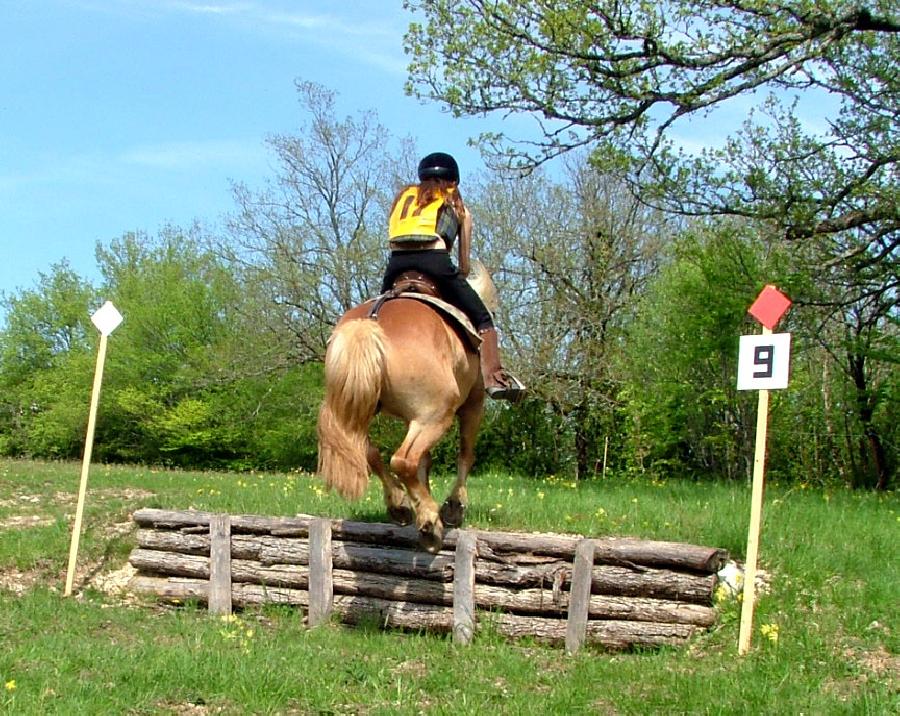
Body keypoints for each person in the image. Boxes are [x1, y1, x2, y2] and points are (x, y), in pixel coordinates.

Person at [382, 152, 525, 402]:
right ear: (454, 181)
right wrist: (461, 275)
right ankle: (494, 379)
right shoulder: (455, 203)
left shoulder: (403, 199)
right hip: (435, 262)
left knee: (378, 313)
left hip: (396, 265)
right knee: (483, 319)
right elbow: (464, 262)